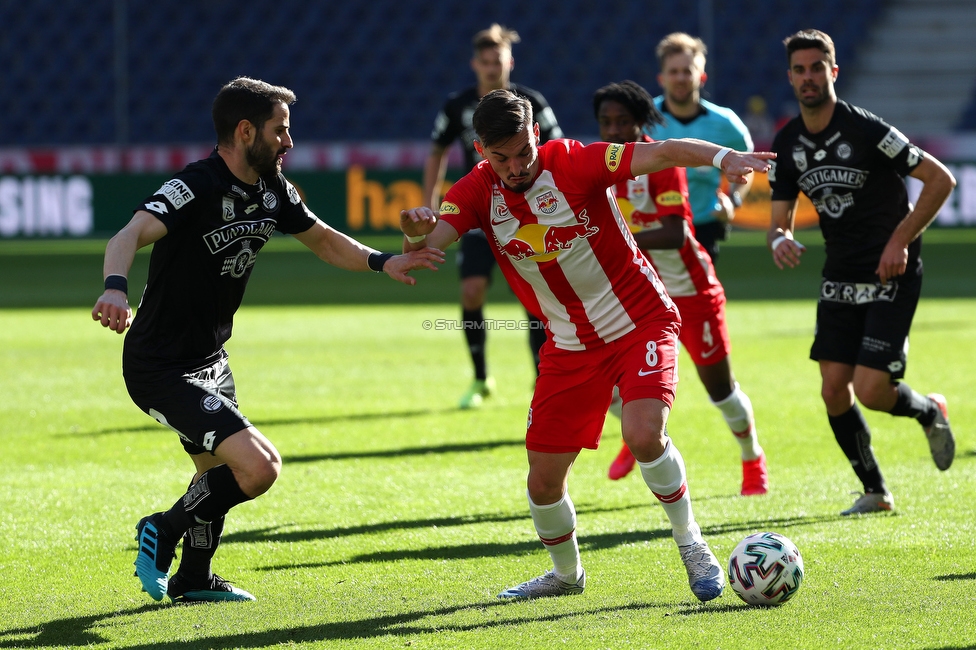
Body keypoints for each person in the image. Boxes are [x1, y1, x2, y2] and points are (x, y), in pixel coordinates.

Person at [401, 89, 773, 601]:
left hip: (639, 320)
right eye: (499, 157)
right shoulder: (474, 190)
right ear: (482, 150)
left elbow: (663, 152)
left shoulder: (574, 161)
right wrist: (415, 236)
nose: (513, 167)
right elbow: (427, 251)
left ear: (536, 135)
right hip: (570, 344)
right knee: (542, 483)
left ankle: (691, 543)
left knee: (644, 434)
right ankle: (566, 575)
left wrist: (726, 157)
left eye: (521, 152)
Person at [91, 77, 443, 603]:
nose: (289, 141)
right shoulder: (197, 185)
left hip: (210, 356)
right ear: (245, 130)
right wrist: (115, 289)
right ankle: (162, 529)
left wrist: (383, 261)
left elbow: (322, 239)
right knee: (258, 467)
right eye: (281, 130)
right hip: (160, 366)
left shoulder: (273, 188)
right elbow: (129, 233)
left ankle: (193, 579)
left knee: (213, 474)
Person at [768, 30, 957, 515]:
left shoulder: (868, 129)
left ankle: (929, 411)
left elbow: (940, 179)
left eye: (817, 67)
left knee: (872, 392)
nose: (808, 77)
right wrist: (779, 238)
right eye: (800, 69)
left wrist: (899, 240)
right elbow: (779, 218)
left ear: (833, 71)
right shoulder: (787, 142)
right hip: (839, 274)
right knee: (833, 389)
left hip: (892, 270)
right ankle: (875, 491)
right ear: (790, 77)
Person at [594, 80, 767, 496]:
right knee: (602, 382)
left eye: (623, 122)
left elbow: (673, 234)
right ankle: (634, 438)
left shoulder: (660, 162)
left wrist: (615, 242)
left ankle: (751, 456)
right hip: (637, 298)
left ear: (641, 122)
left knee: (720, 390)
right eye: (606, 123)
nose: (614, 131)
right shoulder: (598, 166)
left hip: (690, 292)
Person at [422, 23, 564, 408]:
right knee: (471, 291)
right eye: (484, 62)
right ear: (475, 64)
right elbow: (436, 151)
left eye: (496, 61)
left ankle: (543, 380)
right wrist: (429, 202)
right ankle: (480, 377)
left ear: (509, 62)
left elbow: (556, 147)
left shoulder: (530, 101)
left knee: (535, 299)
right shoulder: (458, 105)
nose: (490, 68)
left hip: (529, 214)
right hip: (480, 214)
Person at [647, 32, 754, 266]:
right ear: (661, 78)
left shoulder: (726, 123)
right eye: (673, 72)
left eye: (688, 71)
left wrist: (733, 200)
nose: (680, 78)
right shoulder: (643, 119)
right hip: (652, 228)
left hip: (703, 228)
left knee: (702, 301)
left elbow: (747, 165)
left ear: (702, 76)